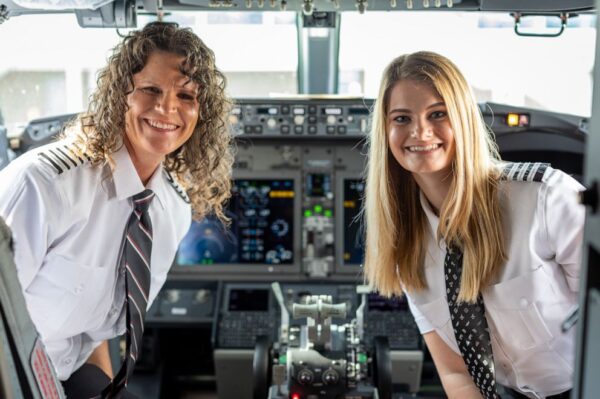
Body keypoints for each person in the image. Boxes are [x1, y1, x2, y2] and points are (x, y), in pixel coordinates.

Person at [0, 21, 233, 398]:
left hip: (65, 371)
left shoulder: (171, 209)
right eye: (150, 89)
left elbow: (94, 332)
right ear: (121, 94)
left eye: (186, 96)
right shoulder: (44, 186)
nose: (167, 108)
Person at [363, 51, 584, 399]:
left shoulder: (548, 198)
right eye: (401, 118)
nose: (420, 131)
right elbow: (455, 373)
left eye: (438, 114)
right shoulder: (405, 244)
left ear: (463, 119)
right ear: (386, 131)